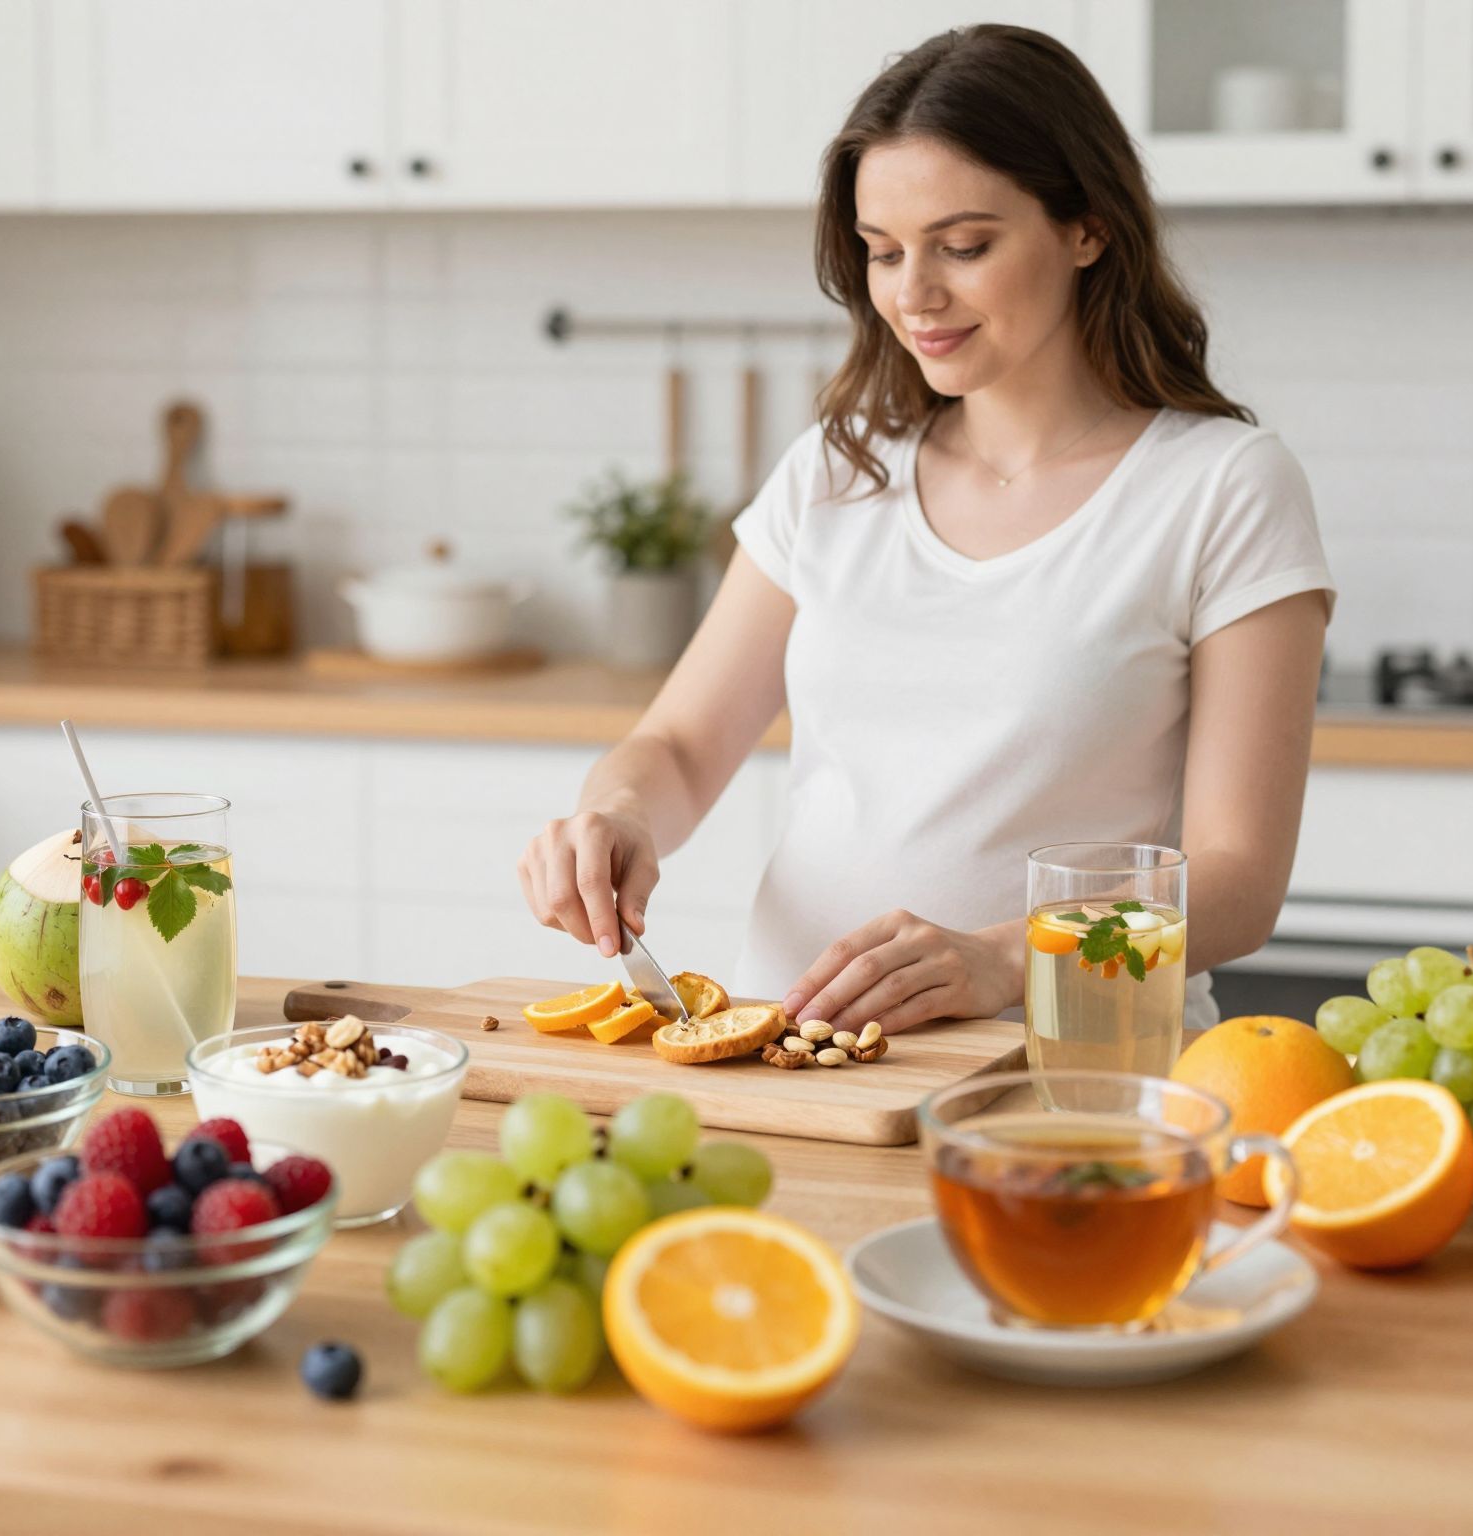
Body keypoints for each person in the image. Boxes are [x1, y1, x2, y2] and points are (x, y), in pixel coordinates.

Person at [517, 24, 1333, 1038]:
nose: (913, 295)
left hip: (1067, 1067)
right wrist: (619, 816)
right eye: (883, 252)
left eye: (964, 246)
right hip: (797, 1050)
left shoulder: (1221, 487)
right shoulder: (836, 467)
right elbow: (679, 746)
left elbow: (1238, 879)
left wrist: (1005, 959)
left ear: (1087, 228)